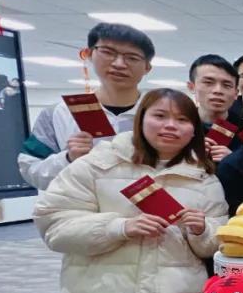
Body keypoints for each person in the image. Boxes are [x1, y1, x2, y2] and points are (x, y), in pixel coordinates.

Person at [32, 88, 227, 293]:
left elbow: (215, 243)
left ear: (194, 130)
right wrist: (119, 227)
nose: (170, 126)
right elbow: (54, 224)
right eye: (160, 116)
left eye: (182, 120)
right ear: (140, 120)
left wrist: (201, 230)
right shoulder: (97, 164)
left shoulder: (204, 179)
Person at [19, 23, 154, 190]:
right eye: (108, 52)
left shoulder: (164, 116)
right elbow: (30, 170)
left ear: (147, 67)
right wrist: (68, 158)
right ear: (89, 54)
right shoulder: (58, 113)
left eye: (132, 57)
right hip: (78, 204)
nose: (119, 64)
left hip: (149, 206)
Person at [188, 54, 240, 162]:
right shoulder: (177, 126)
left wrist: (235, 161)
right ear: (192, 87)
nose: (218, 90)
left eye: (227, 85)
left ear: (236, 93)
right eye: (208, 83)